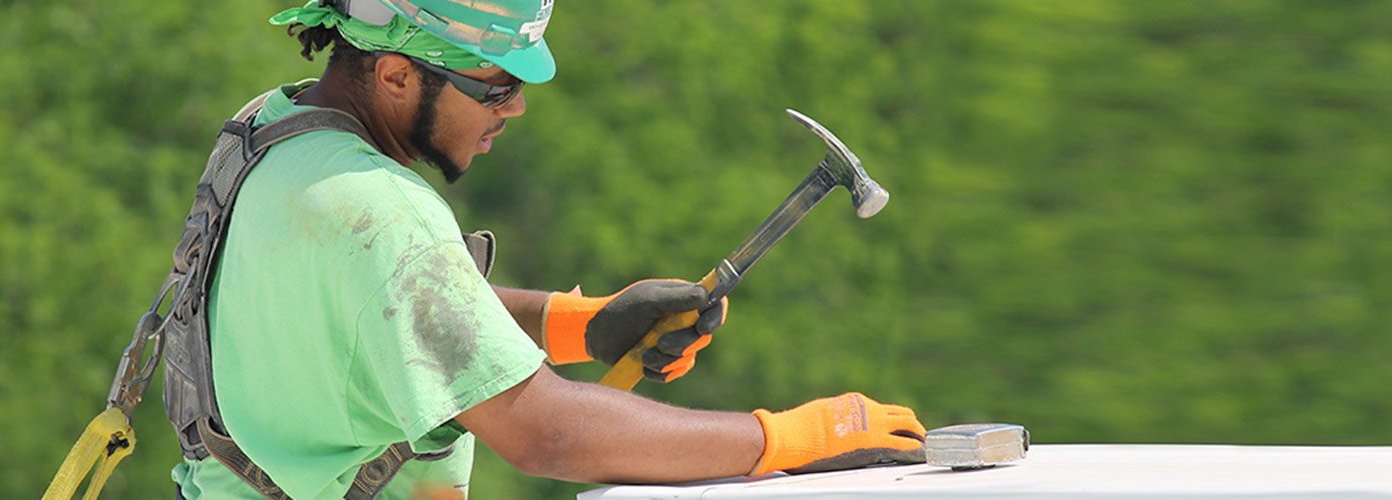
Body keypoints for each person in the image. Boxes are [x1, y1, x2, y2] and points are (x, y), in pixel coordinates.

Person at [166, 0, 925, 498]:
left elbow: (378, 305)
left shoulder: (271, 133)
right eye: (495, 86)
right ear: (396, 73)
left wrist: (580, 326)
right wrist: (787, 437)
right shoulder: (387, 213)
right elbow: (549, 434)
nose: (516, 106)